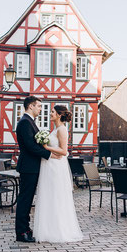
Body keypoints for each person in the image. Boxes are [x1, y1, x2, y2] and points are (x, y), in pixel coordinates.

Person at [33, 104, 84, 243]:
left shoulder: (62, 130)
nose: (50, 114)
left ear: (59, 115)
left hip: (55, 167)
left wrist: (45, 147)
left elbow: (64, 151)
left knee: (55, 196)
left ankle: (58, 231)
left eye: (52, 112)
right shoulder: (55, 129)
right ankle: (47, 229)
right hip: (49, 165)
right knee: (48, 196)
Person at [15, 96, 59, 242]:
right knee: (25, 200)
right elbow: (30, 146)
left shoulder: (30, 122)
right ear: (31, 106)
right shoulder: (25, 123)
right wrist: (49, 154)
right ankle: (21, 233)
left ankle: (26, 229)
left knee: (27, 200)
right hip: (28, 166)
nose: (40, 109)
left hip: (32, 166)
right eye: (39, 106)